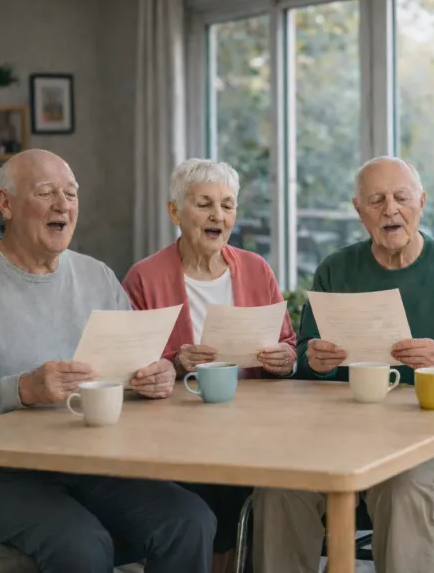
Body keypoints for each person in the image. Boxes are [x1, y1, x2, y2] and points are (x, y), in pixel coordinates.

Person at [0, 149, 216, 573]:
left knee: (191, 520)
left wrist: (157, 375)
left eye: (71, 194)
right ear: (6, 204)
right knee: (83, 544)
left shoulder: (98, 276)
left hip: (95, 461)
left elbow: (137, 367)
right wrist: (23, 389)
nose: (63, 204)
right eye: (46, 193)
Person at [251, 155, 434, 573]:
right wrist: (314, 360)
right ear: (359, 211)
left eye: (401, 197)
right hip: (347, 428)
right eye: (376, 200)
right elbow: (303, 363)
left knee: (404, 486)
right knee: (281, 485)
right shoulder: (336, 269)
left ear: (421, 202)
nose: (390, 209)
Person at [122, 157, 296, 573]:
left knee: (267, 488)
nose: (219, 215)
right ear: (175, 212)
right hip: (177, 433)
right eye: (205, 204)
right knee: (207, 496)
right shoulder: (143, 277)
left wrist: (284, 360)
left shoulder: (256, 269)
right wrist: (176, 363)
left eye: (228, 204)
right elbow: (127, 367)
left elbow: (288, 344)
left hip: (253, 426)